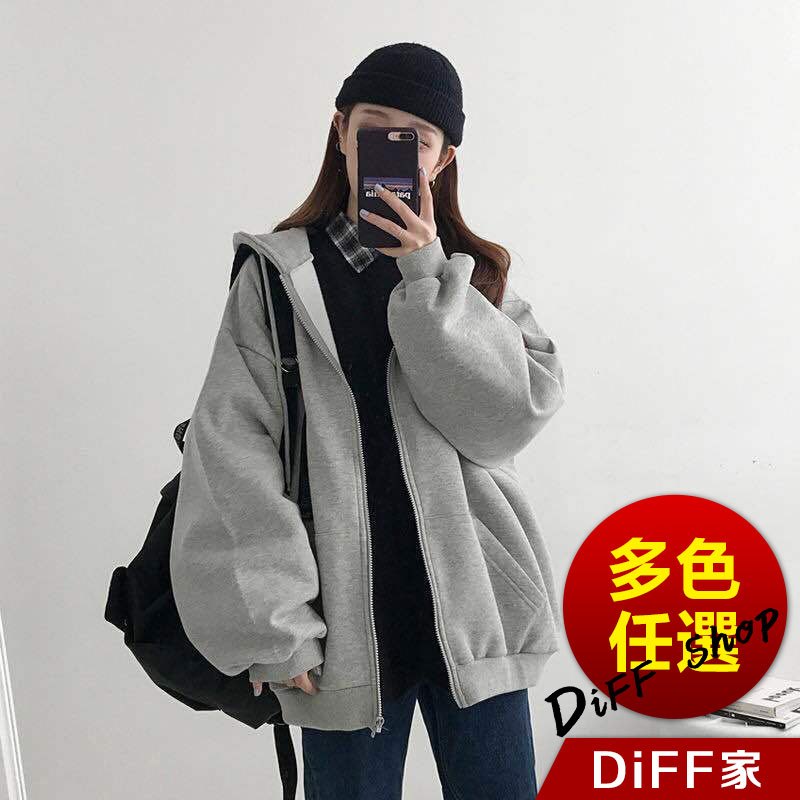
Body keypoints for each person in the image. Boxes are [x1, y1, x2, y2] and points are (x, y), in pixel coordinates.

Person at [170, 41, 566, 799]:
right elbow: (231, 452)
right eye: (373, 125)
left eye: (415, 137)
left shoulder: (472, 277)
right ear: (341, 132)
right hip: (338, 628)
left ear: (442, 159)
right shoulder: (278, 279)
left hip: (476, 615)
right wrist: (277, 625)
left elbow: (507, 419)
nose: (390, 144)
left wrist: (427, 274)